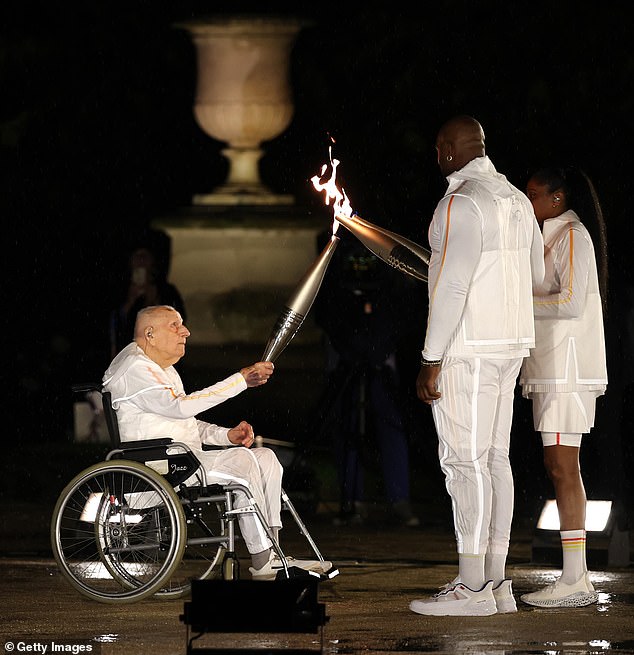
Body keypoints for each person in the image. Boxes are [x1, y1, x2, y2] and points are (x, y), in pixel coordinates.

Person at [409, 115, 545, 617]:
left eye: (437, 145)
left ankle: (472, 588)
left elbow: (452, 287)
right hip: (511, 344)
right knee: (493, 460)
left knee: (464, 463)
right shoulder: (514, 199)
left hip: (469, 349)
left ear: (448, 148)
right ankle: (495, 582)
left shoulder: (460, 202)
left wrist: (431, 358)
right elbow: (534, 273)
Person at [102, 304, 332, 580]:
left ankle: (271, 554)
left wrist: (226, 436)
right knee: (242, 461)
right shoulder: (135, 368)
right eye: (175, 325)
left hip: (181, 459)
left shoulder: (161, 369)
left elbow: (184, 422)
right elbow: (180, 408)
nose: (185, 332)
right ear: (149, 334)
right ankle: (263, 561)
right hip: (157, 466)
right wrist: (241, 380)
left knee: (266, 458)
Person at [518, 166, 608, 608]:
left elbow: (570, 302)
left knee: (563, 468)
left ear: (557, 198)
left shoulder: (571, 234)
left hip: (566, 371)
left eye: (533, 194)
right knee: (560, 468)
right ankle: (576, 576)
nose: (526, 200)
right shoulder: (552, 235)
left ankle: (576, 579)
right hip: (552, 369)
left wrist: (518, 303)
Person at [314, 230, 421, 528]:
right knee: (347, 424)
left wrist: (380, 347)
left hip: (381, 353)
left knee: (391, 423)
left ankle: (399, 501)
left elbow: (402, 304)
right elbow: (325, 303)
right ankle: (352, 501)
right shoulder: (334, 249)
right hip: (345, 354)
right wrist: (348, 346)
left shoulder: (385, 250)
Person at [109, 245, 187, 357]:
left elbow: (178, 318)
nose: (141, 262)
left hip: (160, 351)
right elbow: (115, 323)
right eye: (137, 257)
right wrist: (130, 301)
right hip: (128, 349)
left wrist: (155, 299)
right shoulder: (121, 288)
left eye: (144, 257)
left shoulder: (165, 290)